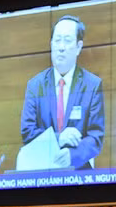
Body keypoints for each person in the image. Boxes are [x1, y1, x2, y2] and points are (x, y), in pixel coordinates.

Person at [20, 15, 104, 170]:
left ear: (79, 47)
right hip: (41, 171)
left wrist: (71, 156)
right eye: (57, 40)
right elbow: (28, 132)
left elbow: (95, 137)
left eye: (67, 40)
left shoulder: (92, 84)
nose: (61, 46)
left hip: (79, 173)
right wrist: (58, 139)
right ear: (51, 44)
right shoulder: (35, 85)